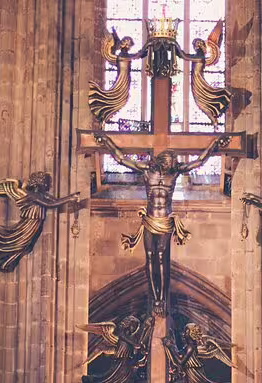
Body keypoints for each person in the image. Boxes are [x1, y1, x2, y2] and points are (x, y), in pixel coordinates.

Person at [94, 133, 230, 315]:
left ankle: (160, 298)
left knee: (161, 257)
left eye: (174, 162)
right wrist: (106, 142)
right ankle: (155, 294)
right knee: (150, 256)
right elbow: (120, 159)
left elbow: (198, 162)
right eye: (171, 161)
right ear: (164, 160)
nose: (174, 164)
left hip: (165, 220)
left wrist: (214, 144)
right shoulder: (146, 171)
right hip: (149, 219)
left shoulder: (174, 173)